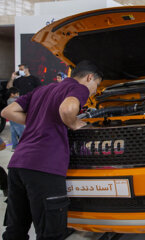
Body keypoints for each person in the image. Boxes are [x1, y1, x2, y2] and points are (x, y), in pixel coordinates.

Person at [1, 60, 103, 240]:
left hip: (18, 165)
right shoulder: (79, 88)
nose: (95, 90)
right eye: (97, 85)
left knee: (15, 230)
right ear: (89, 77)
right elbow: (67, 108)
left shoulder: (42, 90)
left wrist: (37, 121)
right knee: (51, 233)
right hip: (44, 167)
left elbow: (7, 111)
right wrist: (75, 124)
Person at [7, 87, 25, 152]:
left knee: (13, 132)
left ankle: (14, 147)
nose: (18, 95)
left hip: (11, 119)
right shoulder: (14, 100)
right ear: (12, 94)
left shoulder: (9, 100)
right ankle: (23, 147)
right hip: (16, 118)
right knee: (21, 132)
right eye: (17, 94)